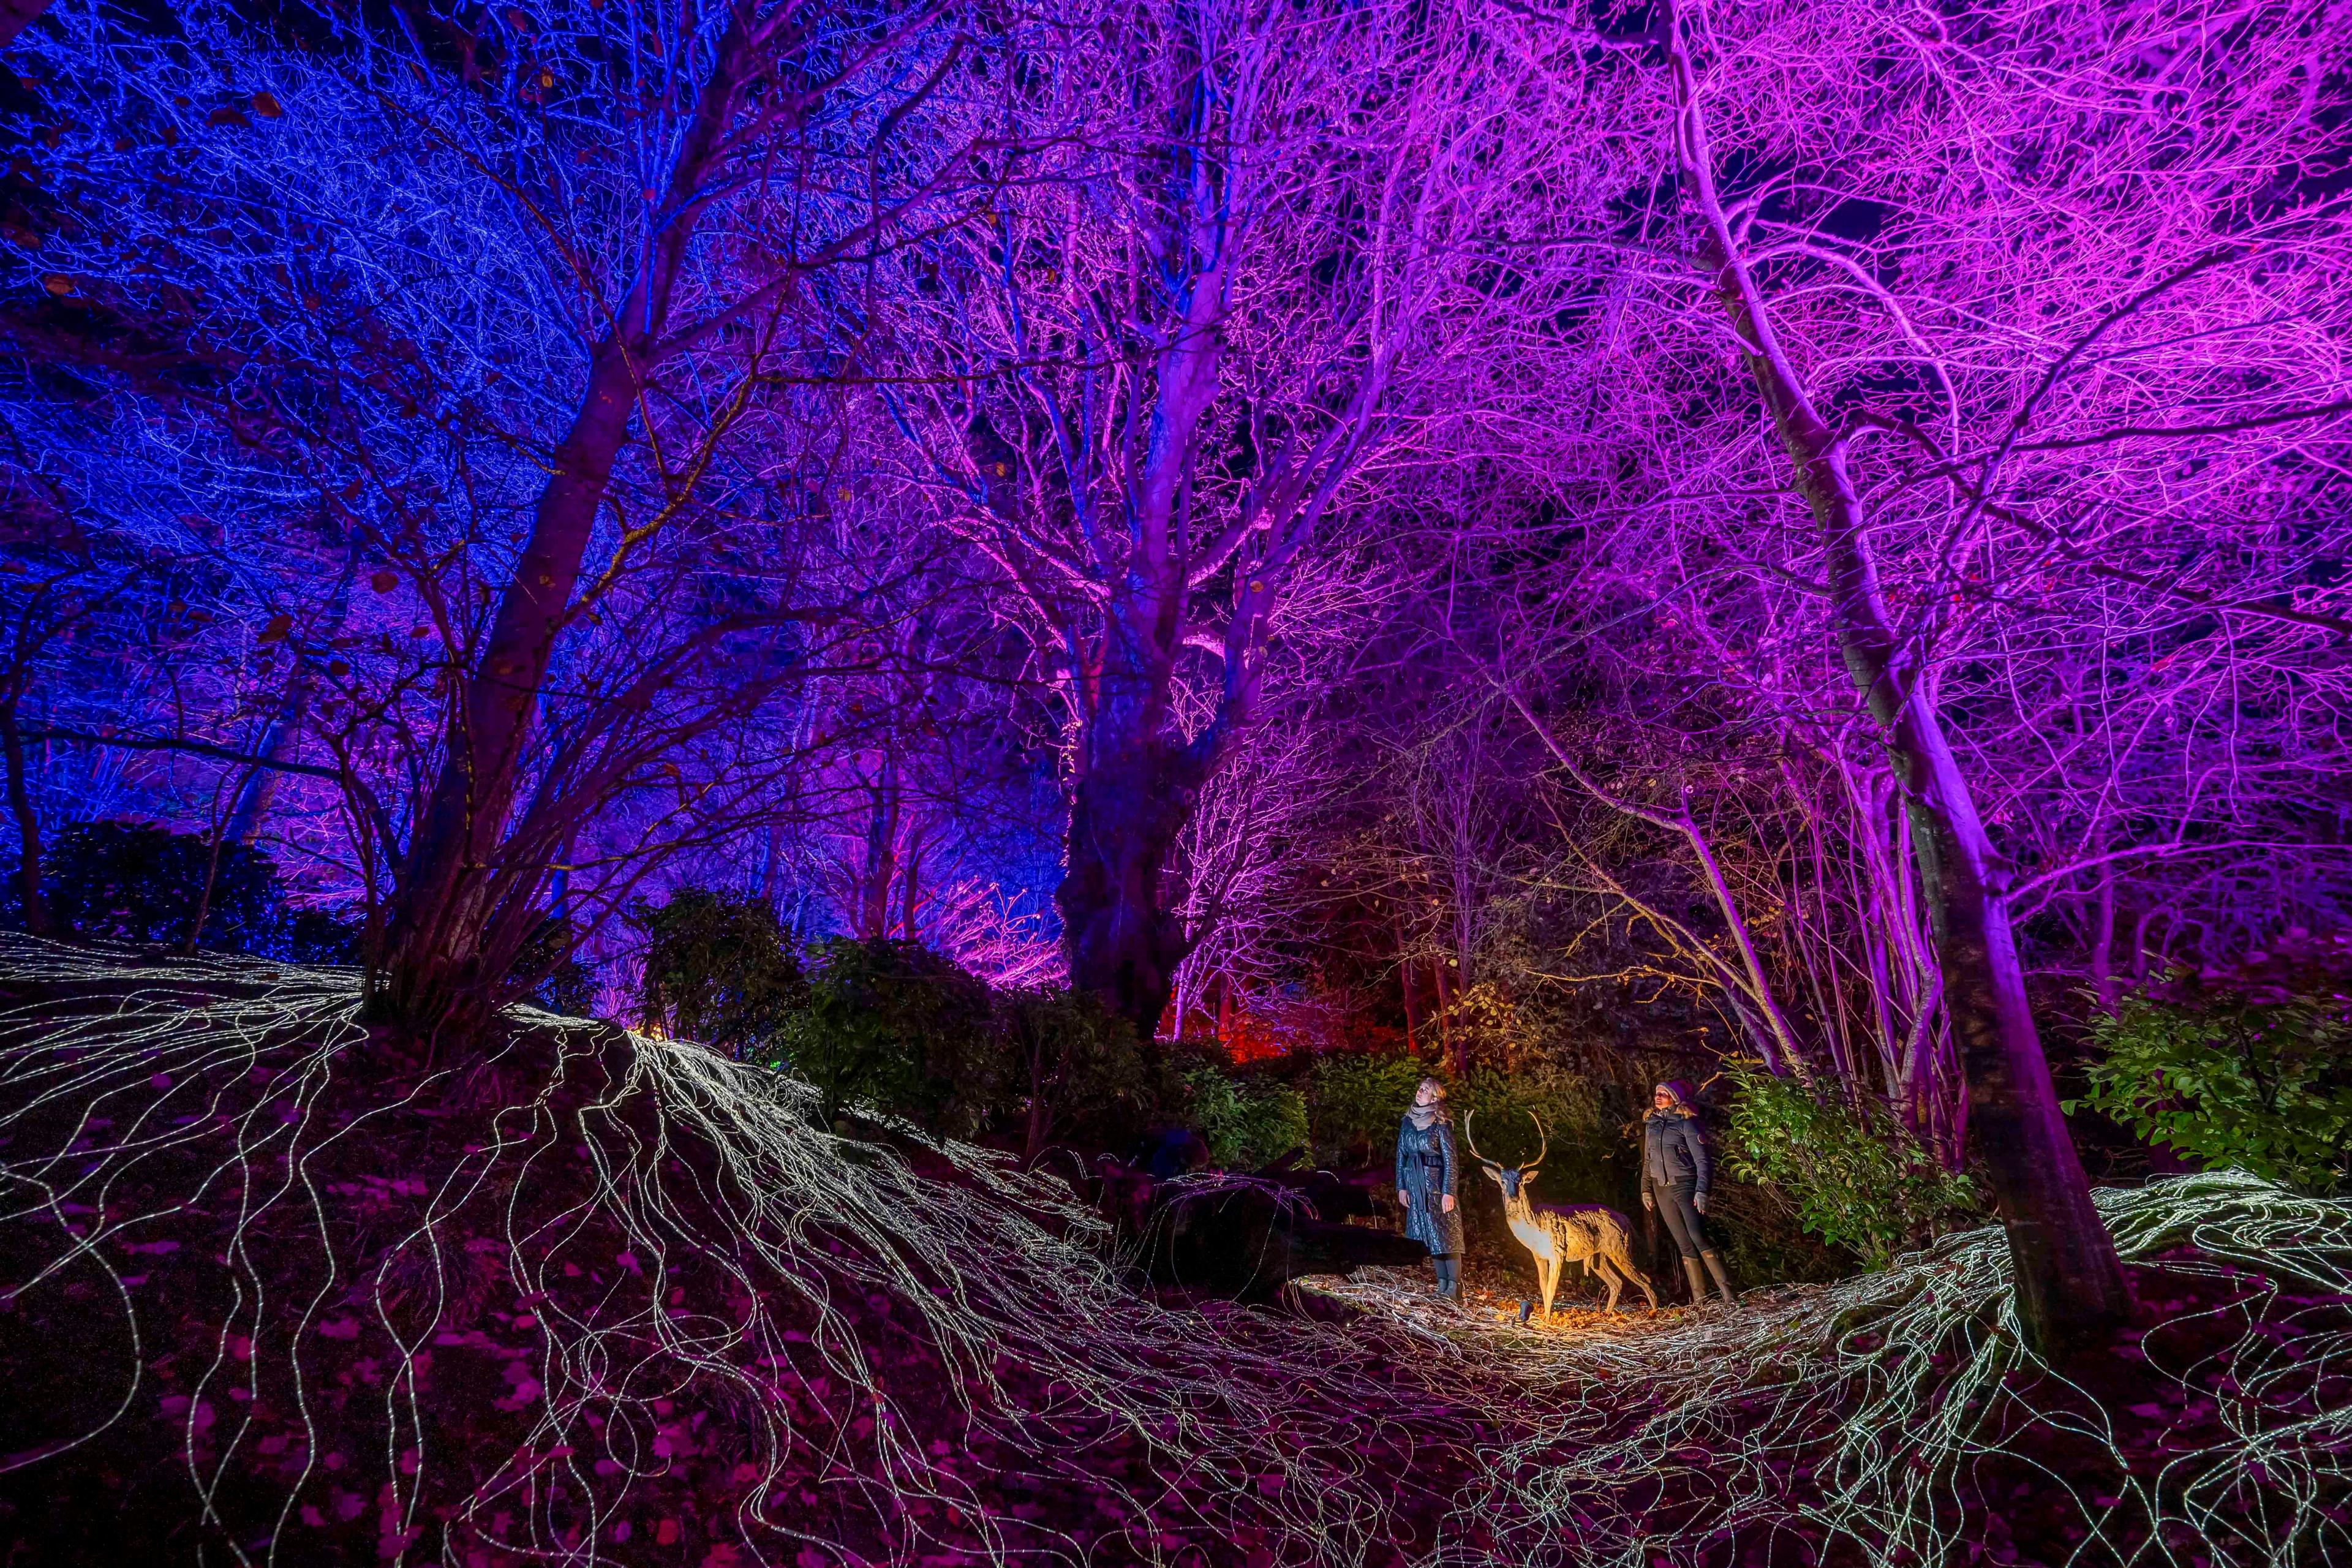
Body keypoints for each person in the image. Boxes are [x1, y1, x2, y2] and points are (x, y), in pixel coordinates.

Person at [1642, 1080, 1736, 1307]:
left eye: (1664, 1093)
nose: (1659, 1096)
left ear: (1675, 1098)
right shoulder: (1651, 1124)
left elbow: (1703, 1161)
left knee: (1698, 1236)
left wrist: (1702, 1191)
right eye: (1657, 1093)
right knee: (1683, 1243)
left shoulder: (1687, 1123)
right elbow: (1648, 1161)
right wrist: (1645, 1190)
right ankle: (1700, 1301)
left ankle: (1729, 1296)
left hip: (1685, 1185)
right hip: (1660, 1188)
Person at [1395, 1077, 1464, 1298]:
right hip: (1416, 1186)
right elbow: (1401, 1156)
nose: (1420, 1092)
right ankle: (1442, 1284)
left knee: (1446, 1235)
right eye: (1420, 1088)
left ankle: (1454, 1286)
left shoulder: (1440, 1123)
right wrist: (1401, 1187)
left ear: (1434, 1097)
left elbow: (1451, 1160)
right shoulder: (1407, 1122)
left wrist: (1449, 1192)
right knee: (1430, 1236)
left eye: (1425, 1090)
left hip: (1436, 1187)